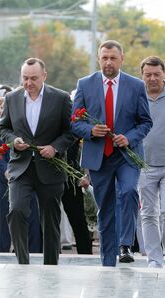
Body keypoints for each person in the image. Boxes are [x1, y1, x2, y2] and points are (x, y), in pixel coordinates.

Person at [71, 40, 152, 267]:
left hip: (127, 155)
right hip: (99, 156)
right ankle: (108, 261)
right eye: (104, 58)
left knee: (128, 192)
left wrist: (129, 137)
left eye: (113, 58)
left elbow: (145, 122)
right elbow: (74, 122)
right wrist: (90, 130)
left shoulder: (136, 86)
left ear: (121, 59)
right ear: (99, 58)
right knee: (105, 208)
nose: (108, 62)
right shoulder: (85, 84)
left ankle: (126, 244)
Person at [0, 57, 74, 265]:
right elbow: (2, 128)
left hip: (50, 168)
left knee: (50, 220)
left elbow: (71, 131)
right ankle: (23, 262)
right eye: (25, 78)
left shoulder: (61, 98)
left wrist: (55, 148)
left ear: (44, 76)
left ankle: (50, 265)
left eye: (33, 78)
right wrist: (14, 141)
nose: (29, 83)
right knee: (17, 210)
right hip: (21, 167)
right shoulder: (12, 98)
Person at [138, 56, 165, 268]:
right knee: (148, 214)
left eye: (157, 74)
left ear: (163, 74)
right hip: (143, 165)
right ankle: (154, 259)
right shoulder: (136, 98)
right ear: (142, 76)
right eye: (148, 75)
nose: (153, 78)